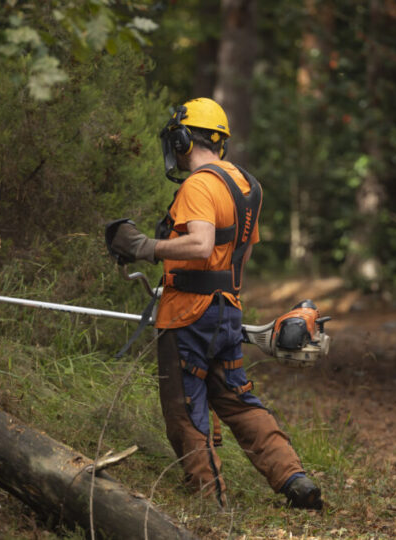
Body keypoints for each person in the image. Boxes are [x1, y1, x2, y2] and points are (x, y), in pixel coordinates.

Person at [107, 98, 322, 509]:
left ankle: (210, 501)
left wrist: (145, 247)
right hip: (226, 310)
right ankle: (293, 478)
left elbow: (202, 243)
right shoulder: (247, 185)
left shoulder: (199, 184)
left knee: (184, 411)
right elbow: (243, 253)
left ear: (184, 139)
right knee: (238, 401)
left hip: (187, 315)